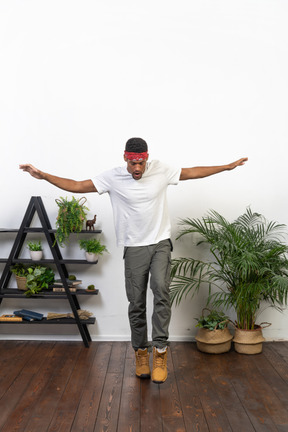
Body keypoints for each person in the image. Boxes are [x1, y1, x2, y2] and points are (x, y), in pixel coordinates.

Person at [20, 137, 248, 384]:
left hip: (160, 243)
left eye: (140, 163)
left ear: (147, 158)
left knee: (161, 291)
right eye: (132, 163)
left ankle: (160, 352)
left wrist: (226, 167)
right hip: (134, 247)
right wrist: (44, 176)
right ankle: (141, 353)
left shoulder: (160, 170)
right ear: (125, 158)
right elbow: (77, 185)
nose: (137, 168)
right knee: (136, 302)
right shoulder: (113, 177)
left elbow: (191, 172)